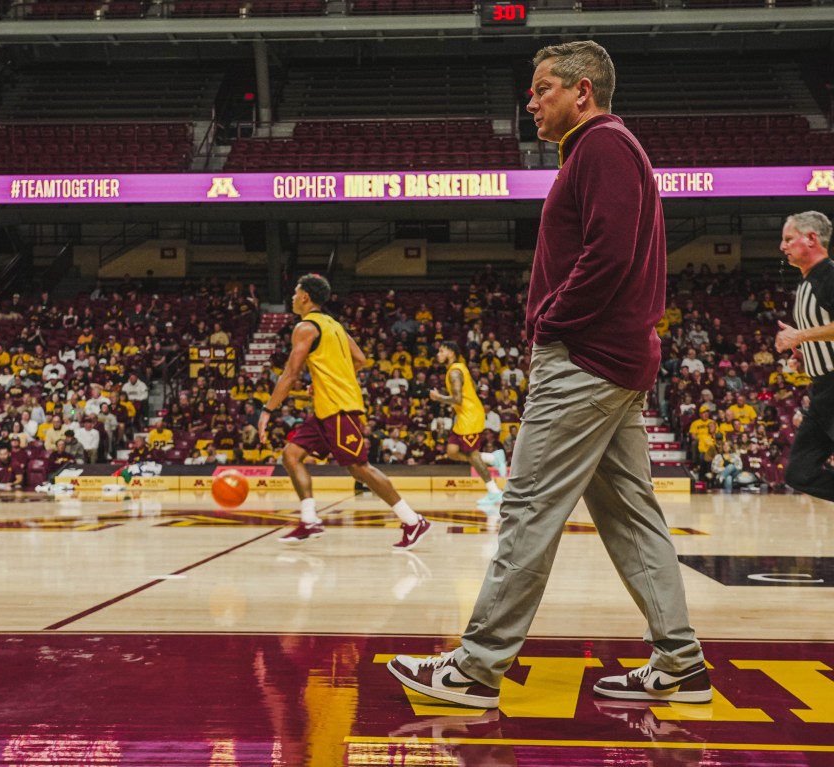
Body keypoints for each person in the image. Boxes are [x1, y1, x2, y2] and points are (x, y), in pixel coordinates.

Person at [387, 41, 709, 709]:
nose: (530, 102)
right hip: (611, 360)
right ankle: (680, 663)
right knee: (631, 518)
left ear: (582, 91)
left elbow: (609, 250)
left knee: (529, 507)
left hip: (585, 358)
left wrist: (552, 323)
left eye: (542, 89)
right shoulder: (604, 149)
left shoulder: (602, 147)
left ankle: (476, 667)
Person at [257, 273, 428, 549]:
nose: (291, 298)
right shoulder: (334, 325)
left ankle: (412, 520)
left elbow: (290, 373)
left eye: (294, 293)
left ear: (304, 297)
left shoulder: (305, 327)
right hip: (326, 408)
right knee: (291, 455)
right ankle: (310, 520)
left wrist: (268, 409)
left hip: (339, 408)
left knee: (360, 468)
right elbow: (360, 359)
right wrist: (327, 379)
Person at [774, 211, 834, 501]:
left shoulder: (830, 276)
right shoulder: (806, 284)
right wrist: (806, 350)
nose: (782, 247)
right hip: (822, 391)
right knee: (800, 472)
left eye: (788, 239)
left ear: (811, 238)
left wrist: (800, 336)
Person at [429, 341, 508, 509]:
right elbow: (472, 386)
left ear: (451, 353)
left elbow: (457, 398)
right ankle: (492, 458)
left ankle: (493, 490)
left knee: (472, 455)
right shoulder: (460, 367)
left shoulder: (454, 373)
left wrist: (438, 398)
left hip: (469, 417)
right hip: (464, 415)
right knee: (451, 451)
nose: (438, 354)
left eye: (441, 351)